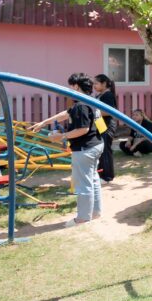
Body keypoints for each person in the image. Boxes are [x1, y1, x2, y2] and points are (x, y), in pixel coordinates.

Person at [31, 74, 104, 227]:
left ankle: (83, 218)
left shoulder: (81, 105)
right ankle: (95, 212)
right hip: (96, 144)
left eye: (71, 86)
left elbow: (83, 129)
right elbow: (66, 113)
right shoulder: (89, 101)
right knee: (93, 179)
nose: (69, 89)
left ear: (76, 86)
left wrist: (62, 136)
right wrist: (45, 122)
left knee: (83, 183)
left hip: (85, 149)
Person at [93, 74, 117, 182]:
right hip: (100, 124)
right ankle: (101, 174)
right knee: (100, 150)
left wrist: (93, 112)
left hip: (106, 125)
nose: (94, 86)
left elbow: (109, 111)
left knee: (105, 150)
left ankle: (107, 176)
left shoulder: (108, 95)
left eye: (96, 83)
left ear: (104, 84)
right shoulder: (100, 95)